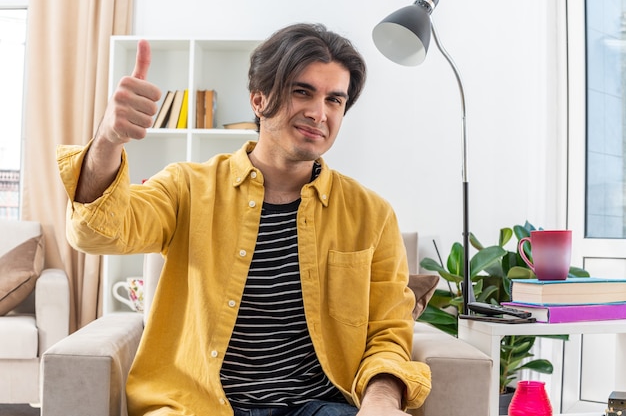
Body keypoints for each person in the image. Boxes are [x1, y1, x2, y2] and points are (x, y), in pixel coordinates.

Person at [58, 23, 431, 416]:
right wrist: (108, 140)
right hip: (197, 405)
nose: (319, 113)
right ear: (259, 99)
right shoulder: (187, 186)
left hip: (317, 406)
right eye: (302, 91)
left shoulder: (372, 215)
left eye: (334, 100)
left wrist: (381, 402)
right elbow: (96, 233)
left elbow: (388, 333)